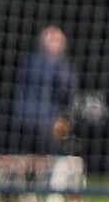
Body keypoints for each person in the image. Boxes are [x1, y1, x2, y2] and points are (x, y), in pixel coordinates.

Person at [13, 25, 77, 156]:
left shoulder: (31, 61)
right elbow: (66, 89)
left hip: (29, 119)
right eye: (53, 39)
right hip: (43, 121)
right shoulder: (52, 64)